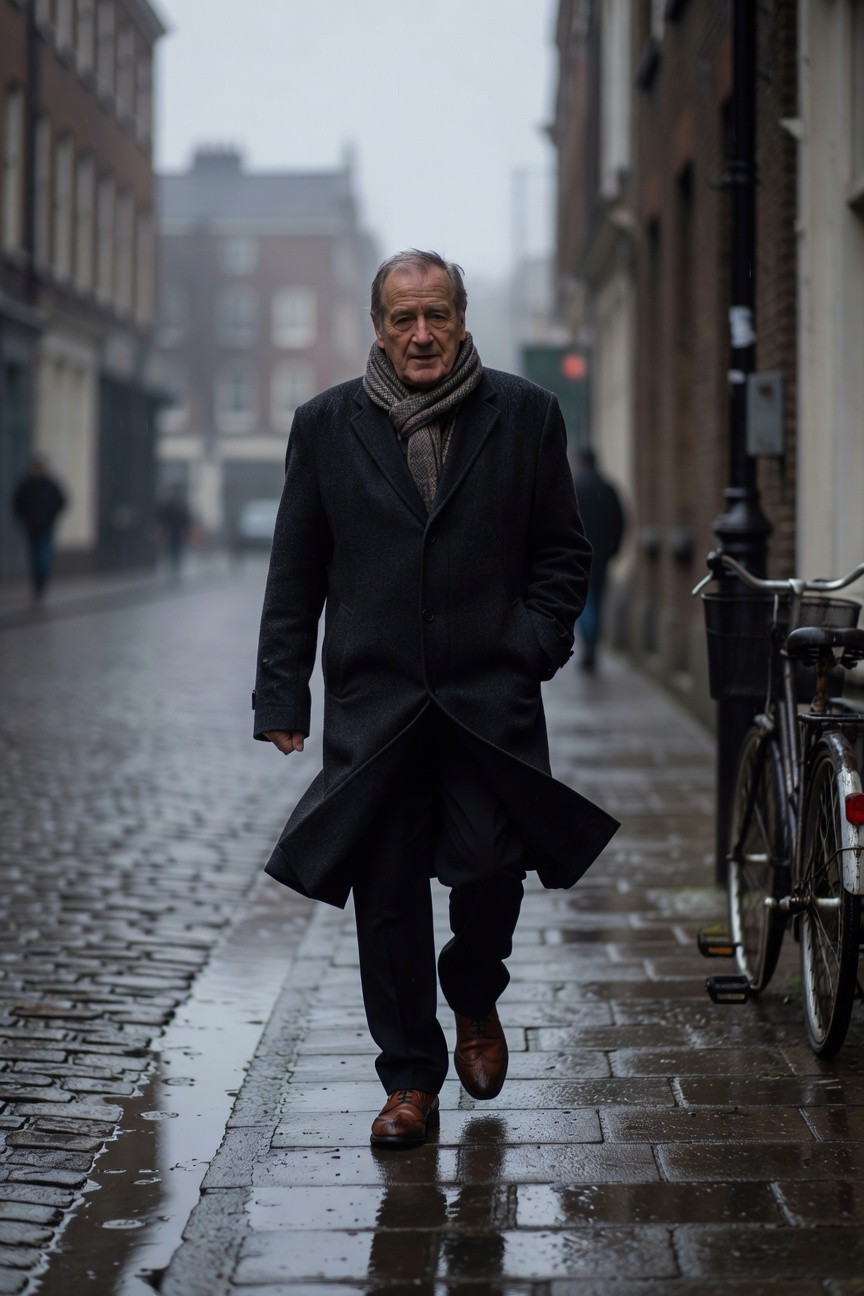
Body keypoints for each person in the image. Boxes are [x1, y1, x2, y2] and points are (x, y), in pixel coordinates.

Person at [253, 250, 619, 1149]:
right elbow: (296, 570)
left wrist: (533, 641)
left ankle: (474, 989)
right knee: (385, 900)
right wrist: (281, 692)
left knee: (493, 870)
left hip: (485, 703)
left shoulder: (524, 413)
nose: (422, 334)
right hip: (377, 708)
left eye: (438, 316)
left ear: (461, 318)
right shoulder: (325, 423)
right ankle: (409, 1081)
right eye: (403, 319)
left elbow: (563, 551)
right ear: (377, 327)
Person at [572, 448, 625, 672]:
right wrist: (614, 550)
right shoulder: (608, 488)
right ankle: (592, 649)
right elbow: (621, 521)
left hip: (579, 557)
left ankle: (589, 649)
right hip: (602, 556)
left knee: (586, 603)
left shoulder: (575, 488)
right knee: (598, 601)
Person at [12, 457, 67, 601]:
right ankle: (37, 585)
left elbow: (62, 501)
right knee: (34, 557)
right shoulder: (26, 485)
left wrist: (52, 517)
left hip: (46, 527)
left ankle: (41, 583)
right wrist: (23, 519)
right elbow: (17, 503)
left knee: (42, 556)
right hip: (32, 528)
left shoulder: (50, 485)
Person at [156, 489, 191, 573]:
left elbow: (185, 520)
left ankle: (173, 565)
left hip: (174, 532)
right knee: (173, 549)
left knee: (173, 549)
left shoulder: (175, 508)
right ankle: (173, 565)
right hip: (172, 532)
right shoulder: (176, 508)